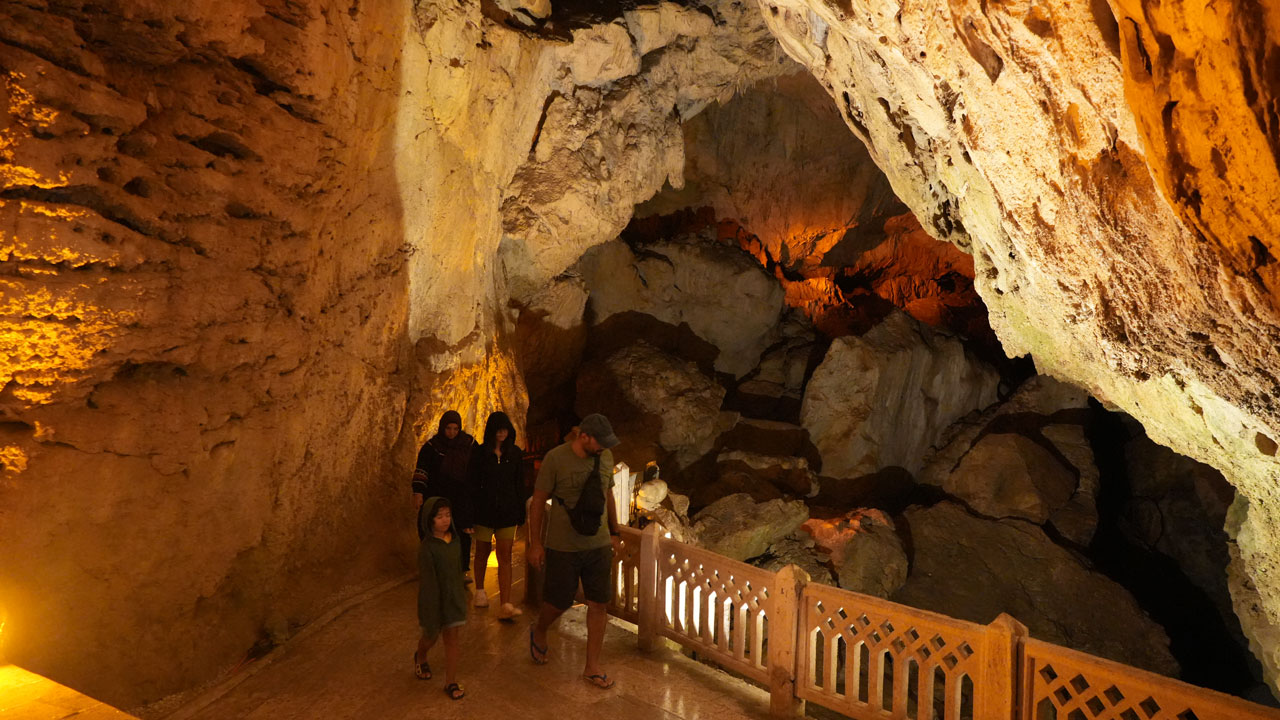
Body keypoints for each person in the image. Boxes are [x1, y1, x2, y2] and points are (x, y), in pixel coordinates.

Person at [526, 413, 622, 690]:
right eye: (600, 442)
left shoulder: (605, 457)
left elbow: (608, 495)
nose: (604, 447)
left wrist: (614, 532)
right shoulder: (556, 459)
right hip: (563, 545)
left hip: (599, 544)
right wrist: (535, 543)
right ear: (584, 437)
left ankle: (592, 667)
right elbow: (538, 502)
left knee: (598, 604)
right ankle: (540, 628)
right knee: (558, 602)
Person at [469, 411, 526, 620]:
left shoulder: (516, 454)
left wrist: (521, 511)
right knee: (482, 552)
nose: (502, 433)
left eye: (505, 429)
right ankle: (481, 591)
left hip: (507, 512)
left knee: (505, 556)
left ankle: (505, 602)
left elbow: (520, 483)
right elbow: (473, 483)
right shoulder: (480, 454)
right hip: (484, 511)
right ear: (491, 431)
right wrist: (471, 512)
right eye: (498, 429)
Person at [414, 497, 468, 700]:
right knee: (431, 636)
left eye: (447, 515)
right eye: (439, 516)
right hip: (435, 602)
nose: (445, 520)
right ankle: (420, 656)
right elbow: (429, 583)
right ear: (429, 520)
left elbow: (456, 571)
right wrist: (431, 609)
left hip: (453, 599)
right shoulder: (427, 549)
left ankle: (450, 681)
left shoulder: (454, 541)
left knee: (452, 640)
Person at [414, 411, 476, 572]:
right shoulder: (432, 447)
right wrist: (418, 492)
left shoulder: (468, 444)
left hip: (461, 497)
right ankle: (437, 568)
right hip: (438, 496)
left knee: (462, 533)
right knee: (436, 530)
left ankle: (461, 570)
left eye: (455, 429)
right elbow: (422, 470)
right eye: (448, 428)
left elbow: (477, 470)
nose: (452, 433)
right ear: (442, 427)